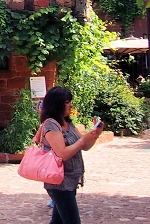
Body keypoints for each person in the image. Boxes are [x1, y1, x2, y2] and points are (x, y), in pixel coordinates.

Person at [35, 86, 103, 224]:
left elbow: (84, 147)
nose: (71, 105)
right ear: (57, 103)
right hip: (60, 182)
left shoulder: (68, 123)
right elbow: (63, 154)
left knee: (58, 221)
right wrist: (83, 139)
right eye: (67, 102)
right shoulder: (51, 125)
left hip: (71, 179)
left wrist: (95, 135)